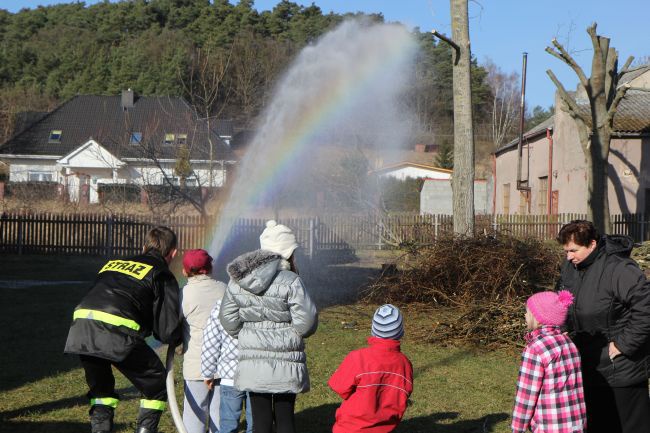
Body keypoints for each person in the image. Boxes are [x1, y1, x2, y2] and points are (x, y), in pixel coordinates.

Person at [64, 226, 183, 433]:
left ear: (143, 246)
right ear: (173, 253)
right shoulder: (161, 273)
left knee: (101, 391)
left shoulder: (113, 264)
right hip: (117, 331)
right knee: (156, 385)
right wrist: (180, 336)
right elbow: (166, 331)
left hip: (82, 328)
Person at [219, 220, 318, 433]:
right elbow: (307, 322)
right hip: (287, 361)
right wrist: (294, 332)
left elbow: (227, 318)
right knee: (285, 420)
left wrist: (246, 335)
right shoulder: (291, 281)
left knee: (260, 422)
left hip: (252, 362)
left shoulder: (238, 281)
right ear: (288, 252)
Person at [556, 220, 650, 433]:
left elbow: (646, 309)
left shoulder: (619, 268)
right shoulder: (570, 268)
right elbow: (563, 300)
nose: (568, 256)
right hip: (587, 362)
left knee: (630, 426)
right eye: (565, 251)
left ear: (591, 244)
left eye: (573, 250)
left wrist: (624, 345)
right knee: (598, 423)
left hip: (621, 366)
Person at [328, 304, 413, 433]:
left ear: (373, 329)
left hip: (350, 428)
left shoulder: (358, 358)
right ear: (401, 331)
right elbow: (403, 395)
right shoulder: (405, 365)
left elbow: (338, 386)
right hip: (385, 428)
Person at [511, 290, 586, 433]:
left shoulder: (535, 348)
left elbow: (526, 394)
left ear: (539, 318)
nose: (525, 315)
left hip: (549, 427)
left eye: (528, 312)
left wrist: (517, 428)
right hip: (575, 425)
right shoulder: (568, 343)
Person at [180, 249, 226, 433]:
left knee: (195, 414)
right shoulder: (224, 288)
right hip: (224, 363)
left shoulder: (184, 294)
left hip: (196, 364)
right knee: (221, 413)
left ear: (185, 271)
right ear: (210, 268)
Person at [201, 285, 253, 433]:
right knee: (256, 425)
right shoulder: (262, 303)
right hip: (257, 375)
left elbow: (211, 342)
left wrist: (208, 373)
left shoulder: (221, 305)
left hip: (230, 376)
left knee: (228, 426)